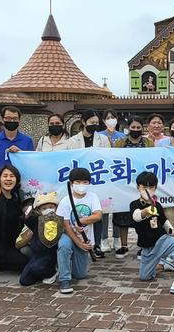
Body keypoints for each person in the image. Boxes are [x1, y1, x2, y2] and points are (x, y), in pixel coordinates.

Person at [131, 172, 174, 294]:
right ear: (138, 187)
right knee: (144, 277)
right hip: (147, 246)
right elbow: (136, 216)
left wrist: (171, 232)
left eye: (151, 187)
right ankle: (164, 263)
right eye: (144, 187)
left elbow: (164, 221)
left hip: (161, 240)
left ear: (155, 188)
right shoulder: (134, 204)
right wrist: (146, 211)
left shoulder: (158, 205)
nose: (147, 190)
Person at [67, 109, 111, 257]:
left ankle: (97, 244)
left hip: (98, 180)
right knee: (81, 210)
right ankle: (80, 241)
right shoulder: (72, 142)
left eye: (97, 123)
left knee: (97, 212)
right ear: (84, 122)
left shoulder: (103, 140)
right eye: (92, 123)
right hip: (80, 182)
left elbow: (108, 158)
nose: (95, 125)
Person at [55, 168, 102, 294]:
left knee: (80, 275)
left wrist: (82, 221)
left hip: (84, 238)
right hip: (70, 236)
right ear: (71, 183)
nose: (82, 185)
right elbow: (66, 226)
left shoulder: (93, 197)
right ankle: (64, 279)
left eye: (85, 182)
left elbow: (98, 215)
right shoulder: (65, 201)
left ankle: (65, 264)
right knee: (64, 246)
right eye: (78, 182)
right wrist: (78, 243)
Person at [112, 116, 154, 258]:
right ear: (128, 128)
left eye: (138, 127)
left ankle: (143, 245)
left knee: (143, 215)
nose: (135, 130)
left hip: (142, 184)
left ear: (142, 128)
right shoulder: (119, 143)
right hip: (124, 183)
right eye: (133, 127)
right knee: (122, 215)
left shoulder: (149, 142)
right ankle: (124, 246)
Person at [18, 192, 61, 286]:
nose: (48, 210)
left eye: (51, 207)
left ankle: (52, 272)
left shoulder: (60, 219)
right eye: (44, 208)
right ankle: (41, 272)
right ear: (39, 210)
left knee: (37, 268)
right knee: (24, 281)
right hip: (37, 255)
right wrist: (31, 207)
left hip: (51, 254)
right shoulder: (36, 220)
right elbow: (26, 217)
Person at [0, 106, 35, 186]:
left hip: (21, 183)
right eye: (8, 118)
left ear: (19, 120)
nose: (11, 121)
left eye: (15, 118)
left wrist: (20, 153)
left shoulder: (27, 140)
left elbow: (31, 163)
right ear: (2, 119)